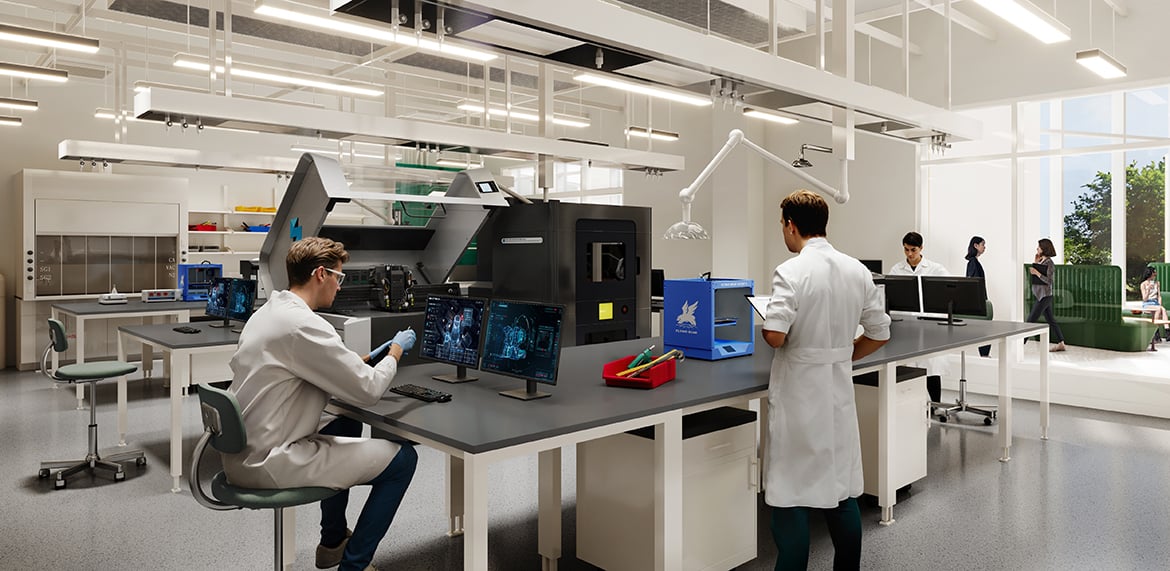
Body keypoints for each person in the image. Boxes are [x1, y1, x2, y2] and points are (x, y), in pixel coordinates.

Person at [224, 236, 418, 571]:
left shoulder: (269, 312)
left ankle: (332, 543)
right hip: (271, 460)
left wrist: (368, 357)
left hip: (244, 448)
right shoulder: (305, 325)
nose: (340, 287)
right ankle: (353, 565)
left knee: (344, 423)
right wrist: (396, 353)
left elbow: (305, 365)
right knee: (403, 461)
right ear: (320, 274)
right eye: (339, 278)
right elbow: (369, 389)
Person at [761, 190, 891, 571]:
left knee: (790, 494)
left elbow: (775, 335)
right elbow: (879, 332)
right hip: (837, 388)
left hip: (800, 391)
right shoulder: (857, 269)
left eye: (782, 226)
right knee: (841, 490)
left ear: (790, 225)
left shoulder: (792, 270)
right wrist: (842, 354)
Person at [887, 231, 950, 408]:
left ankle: (936, 404)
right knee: (907, 366)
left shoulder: (936, 269)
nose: (909, 254)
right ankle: (909, 405)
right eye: (906, 250)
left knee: (931, 366)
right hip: (906, 324)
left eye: (913, 250)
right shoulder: (897, 269)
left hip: (928, 324)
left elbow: (948, 291)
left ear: (921, 248)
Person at [1027, 238, 1066, 352]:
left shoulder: (1049, 263)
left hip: (1045, 296)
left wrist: (1037, 273)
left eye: (1039, 247)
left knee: (1030, 321)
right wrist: (1035, 262)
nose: (1037, 248)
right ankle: (1061, 343)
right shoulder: (1042, 261)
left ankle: (1019, 346)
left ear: (1044, 248)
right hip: (1041, 295)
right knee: (1051, 320)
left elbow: (1049, 281)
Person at [965, 236, 992, 357]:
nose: (984, 247)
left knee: (984, 329)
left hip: (979, 299)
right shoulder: (973, 263)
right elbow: (972, 283)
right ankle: (984, 355)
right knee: (985, 329)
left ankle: (984, 354)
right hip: (978, 301)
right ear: (976, 246)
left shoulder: (974, 262)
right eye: (983, 244)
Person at [1140, 266, 1168, 341]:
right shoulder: (1143, 284)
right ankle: (1155, 332)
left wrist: (1159, 304)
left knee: (1163, 309)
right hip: (1147, 304)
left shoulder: (1157, 283)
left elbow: (1159, 296)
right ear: (1149, 273)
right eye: (1154, 273)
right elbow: (1144, 299)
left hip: (1155, 303)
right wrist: (1148, 289)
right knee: (1159, 309)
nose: (1155, 274)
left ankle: (1167, 332)